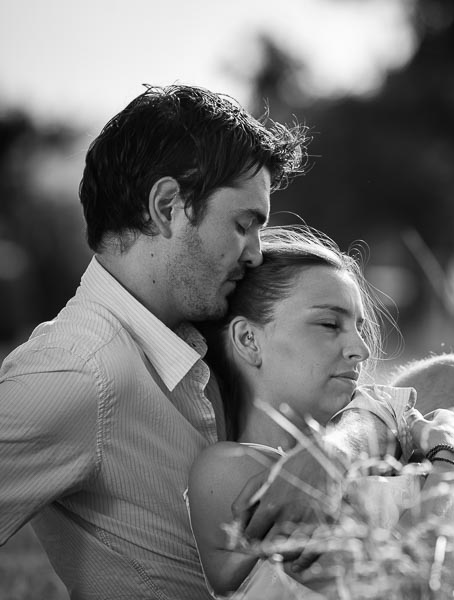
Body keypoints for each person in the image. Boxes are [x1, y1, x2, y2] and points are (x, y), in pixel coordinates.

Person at [0, 84, 307, 599]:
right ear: (168, 207)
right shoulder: (79, 370)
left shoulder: (210, 333)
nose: (255, 253)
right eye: (243, 224)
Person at [189, 227, 454, 598]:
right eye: (330, 325)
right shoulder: (230, 471)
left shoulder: (381, 436)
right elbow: (412, 587)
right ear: (249, 340)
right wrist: (450, 460)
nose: (360, 349)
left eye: (360, 328)